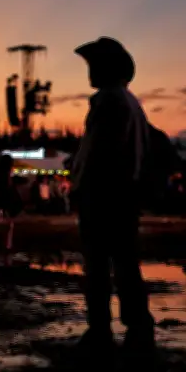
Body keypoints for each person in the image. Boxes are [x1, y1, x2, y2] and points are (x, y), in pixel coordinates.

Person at [71, 36, 155, 354]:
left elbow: (98, 153)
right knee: (125, 264)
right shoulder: (130, 101)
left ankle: (101, 330)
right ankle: (137, 326)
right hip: (123, 195)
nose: (90, 72)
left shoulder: (109, 101)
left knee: (98, 268)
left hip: (104, 195)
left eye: (93, 65)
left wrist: (83, 187)